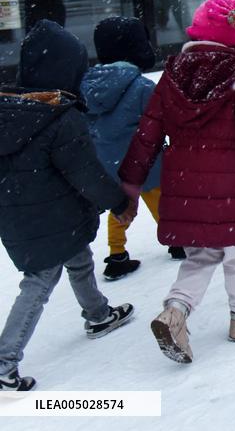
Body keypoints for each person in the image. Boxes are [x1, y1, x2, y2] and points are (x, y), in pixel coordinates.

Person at [118, 0, 235, 364]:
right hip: (230, 182)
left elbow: (148, 135)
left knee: (202, 253)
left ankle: (175, 310)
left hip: (185, 181)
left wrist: (130, 186)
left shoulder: (171, 73)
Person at [0, 20, 136, 391]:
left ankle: (98, 314)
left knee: (77, 255)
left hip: (18, 214)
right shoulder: (61, 117)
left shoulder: (9, 107)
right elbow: (87, 174)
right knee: (40, 281)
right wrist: (120, 202)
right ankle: (4, 360)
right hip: (50, 214)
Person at [80, 17, 183, 281]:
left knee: (120, 207)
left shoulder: (87, 88)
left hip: (110, 165)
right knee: (160, 201)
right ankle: (176, 241)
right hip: (145, 163)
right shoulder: (142, 88)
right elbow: (160, 122)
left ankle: (117, 254)